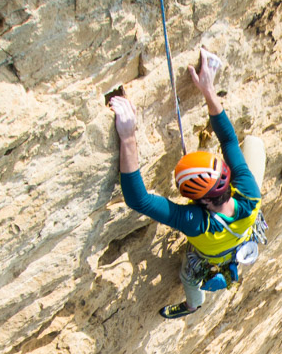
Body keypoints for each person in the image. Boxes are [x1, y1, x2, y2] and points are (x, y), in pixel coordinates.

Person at [110, 49, 263, 319]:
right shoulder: (248, 192)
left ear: (201, 201)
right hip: (246, 230)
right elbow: (228, 141)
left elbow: (139, 200)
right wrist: (208, 89)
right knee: (254, 147)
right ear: (226, 177)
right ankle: (194, 303)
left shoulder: (195, 221)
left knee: (189, 276)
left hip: (210, 254)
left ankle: (193, 305)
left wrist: (127, 138)